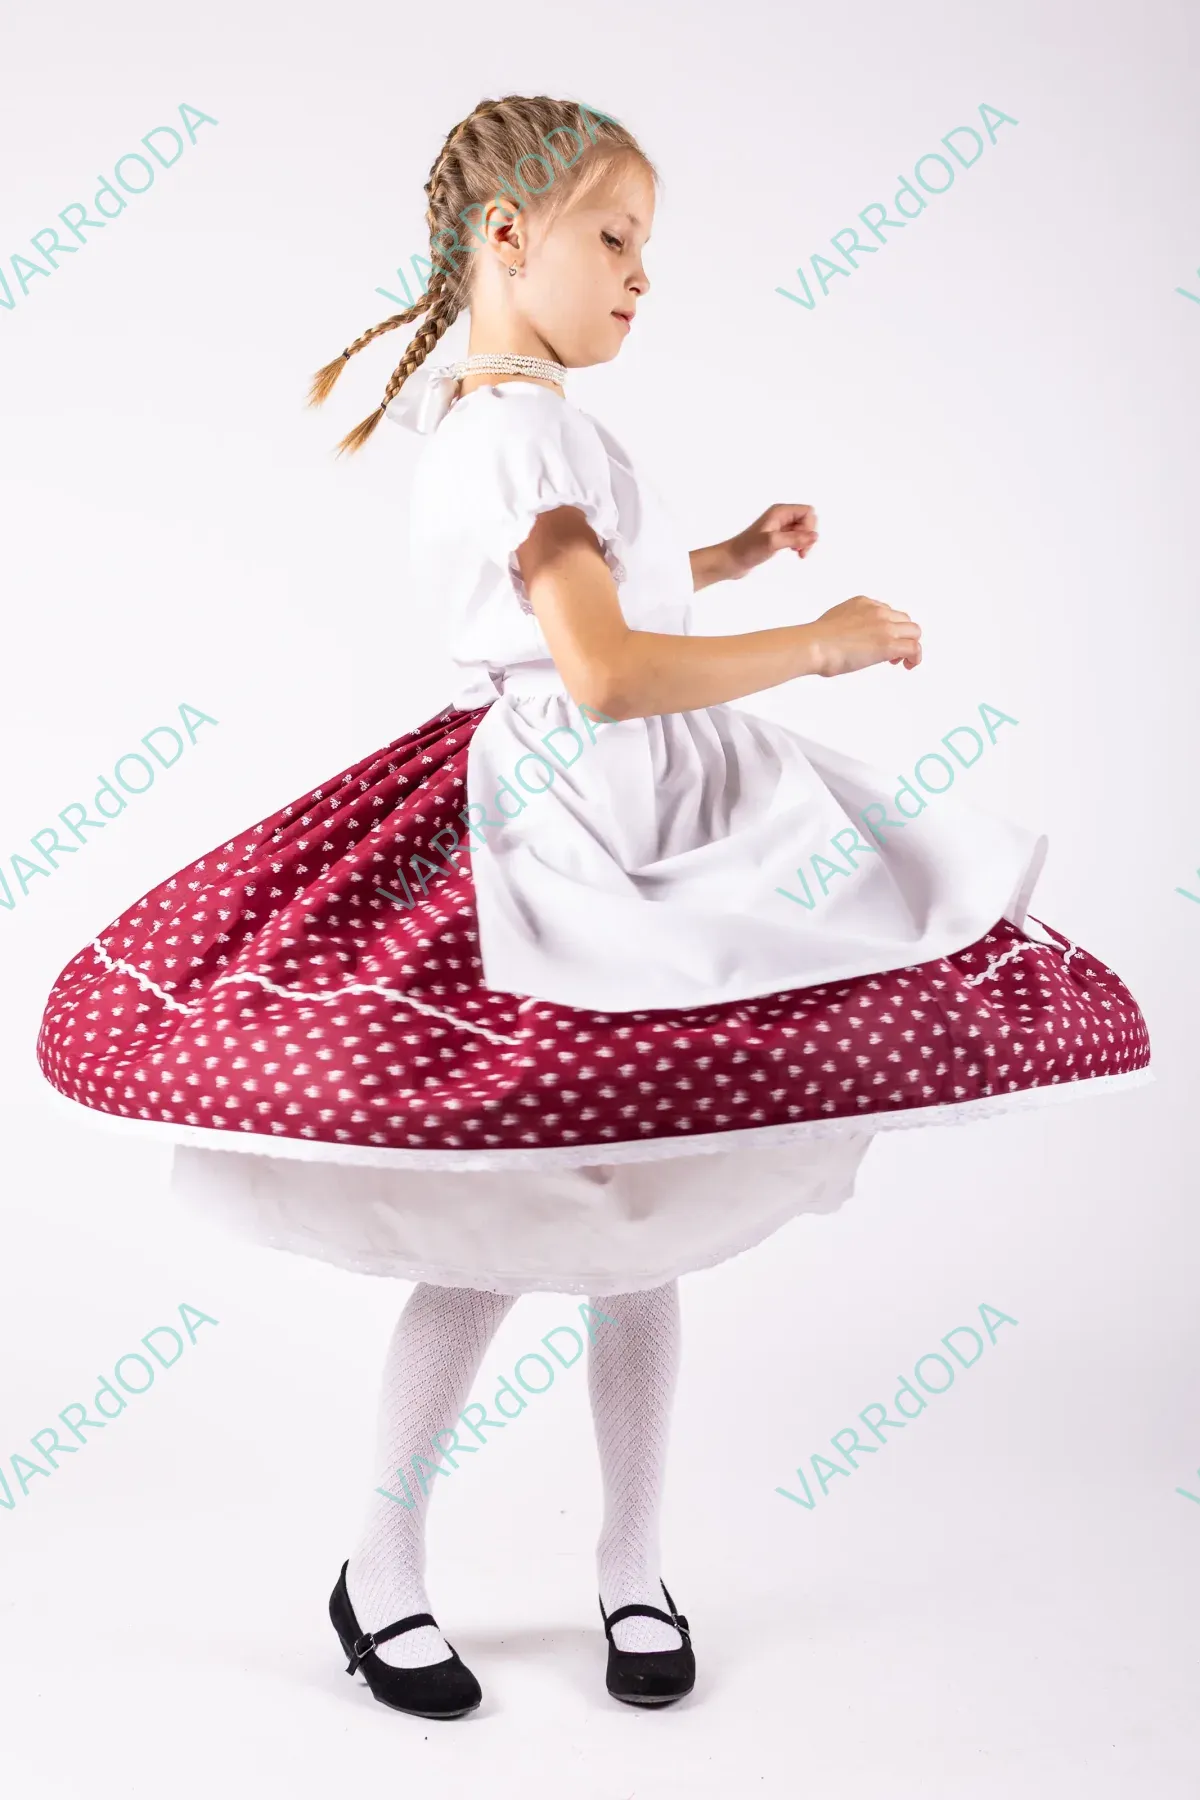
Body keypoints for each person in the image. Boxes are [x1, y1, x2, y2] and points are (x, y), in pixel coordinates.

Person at [36, 93, 1151, 1722]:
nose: (641, 276)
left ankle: (625, 1562)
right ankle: (389, 1566)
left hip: (637, 810)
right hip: (579, 825)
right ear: (510, 237)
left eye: (648, 248)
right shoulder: (521, 436)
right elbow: (606, 669)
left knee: (643, 1200)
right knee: (520, 1206)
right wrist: (819, 643)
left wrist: (734, 554)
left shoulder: (510, 424)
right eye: (614, 238)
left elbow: (604, 600)